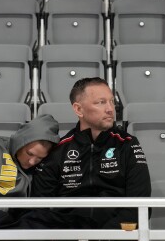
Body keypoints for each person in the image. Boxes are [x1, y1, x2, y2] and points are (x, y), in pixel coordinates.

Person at [17, 77, 151, 229]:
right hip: (68, 234)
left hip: (115, 235)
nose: (110, 109)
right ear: (78, 109)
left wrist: (104, 236)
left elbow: (140, 205)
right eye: (101, 102)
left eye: (111, 101)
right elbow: (39, 207)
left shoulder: (127, 144)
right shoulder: (58, 150)